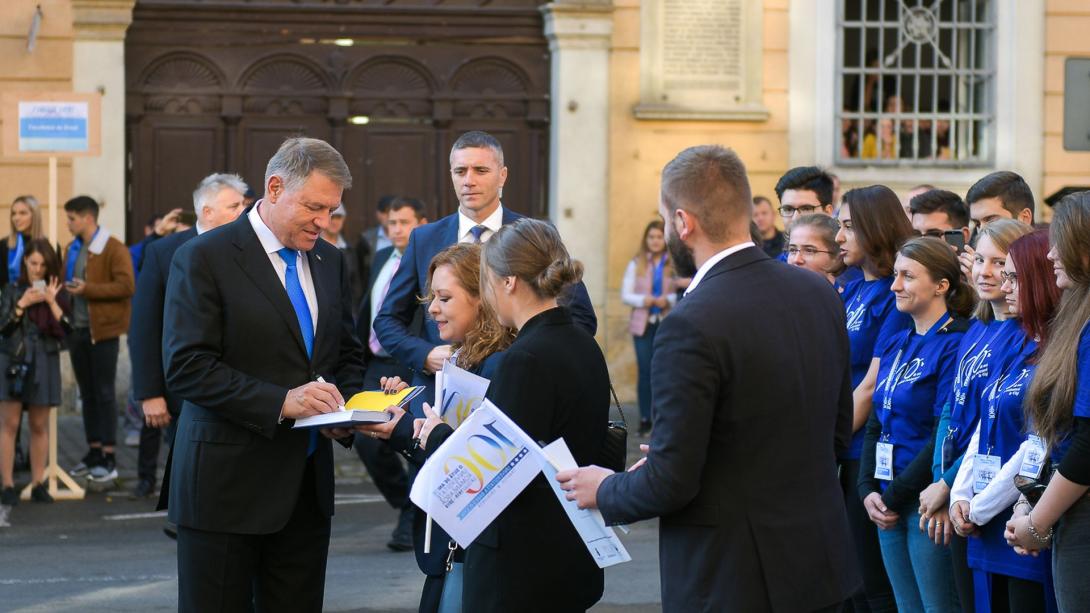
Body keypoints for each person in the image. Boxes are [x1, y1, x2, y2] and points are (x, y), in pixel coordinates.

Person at [558, 145, 860, 612]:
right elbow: (833, 433)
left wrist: (604, 488)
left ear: (683, 222)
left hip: (734, 580)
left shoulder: (690, 321)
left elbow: (671, 484)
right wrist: (682, 453)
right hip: (819, 567)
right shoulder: (818, 293)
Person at [161, 137, 365, 612]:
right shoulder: (204, 257)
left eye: (332, 210)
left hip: (306, 492)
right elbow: (187, 367)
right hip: (224, 490)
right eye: (314, 207)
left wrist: (351, 408)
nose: (324, 221)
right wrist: (281, 402)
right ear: (274, 188)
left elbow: (345, 355)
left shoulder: (330, 260)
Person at [373, 130, 596, 413]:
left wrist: (530, 360)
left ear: (502, 175)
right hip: (438, 395)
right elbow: (387, 320)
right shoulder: (424, 238)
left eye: (480, 170)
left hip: (520, 391)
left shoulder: (535, 236)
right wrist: (425, 355)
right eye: (460, 171)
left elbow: (581, 318)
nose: (469, 180)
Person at [360, 241, 514, 612]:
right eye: (431, 298)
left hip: (474, 552)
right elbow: (439, 442)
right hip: (452, 548)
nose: (431, 309)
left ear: (481, 298)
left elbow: (475, 471)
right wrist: (407, 410)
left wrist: (402, 431)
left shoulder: (498, 365)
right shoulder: (460, 357)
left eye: (444, 298)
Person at [918, 219, 1033, 610]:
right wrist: (946, 484)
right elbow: (952, 415)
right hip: (966, 492)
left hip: (1004, 497)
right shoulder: (977, 329)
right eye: (980, 259)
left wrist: (952, 487)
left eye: (999, 263)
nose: (985, 271)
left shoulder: (1028, 336)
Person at [858, 236, 974, 612]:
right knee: (906, 607)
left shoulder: (955, 342)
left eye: (907, 276)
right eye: (895, 275)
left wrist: (893, 497)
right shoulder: (897, 340)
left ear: (941, 285)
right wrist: (867, 489)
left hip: (925, 500)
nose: (894, 286)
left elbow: (945, 431)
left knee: (938, 606)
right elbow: (877, 419)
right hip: (886, 498)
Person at [948, 230, 1059, 612]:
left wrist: (981, 506)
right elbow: (984, 421)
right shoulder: (1014, 340)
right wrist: (961, 494)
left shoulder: (1056, 348)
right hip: (985, 517)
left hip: (1020, 520)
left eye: (1014, 277)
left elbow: (1039, 442)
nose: (1003, 285)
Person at [130, 173, 248, 502]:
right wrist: (149, 392)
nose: (244, 212)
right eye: (234, 206)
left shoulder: (249, 249)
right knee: (189, 472)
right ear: (207, 212)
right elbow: (145, 326)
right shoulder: (163, 252)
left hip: (239, 387)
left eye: (244, 205)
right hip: (183, 389)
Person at [1005, 191, 1090, 611]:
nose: (1051, 252)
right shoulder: (1076, 319)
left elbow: (1088, 445)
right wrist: (1030, 503)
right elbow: (1052, 435)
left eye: (1062, 241)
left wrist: (1037, 523)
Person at [836, 184, 916, 611]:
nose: (839, 237)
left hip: (859, 447)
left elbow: (871, 385)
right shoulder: (852, 287)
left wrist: (821, 442)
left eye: (848, 226)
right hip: (838, 444)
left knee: (871, 582)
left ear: (874, 228)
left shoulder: (892, 292)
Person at [353, 195, 427, 552]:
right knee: (367, 440)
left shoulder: (430, 260)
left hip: (410, 363)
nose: (396, 230)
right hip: (377, 364)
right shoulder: (381, 258)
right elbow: (368, 307)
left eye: (404, 222)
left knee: (414, 441)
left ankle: (413, 516)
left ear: (421, 225)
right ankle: (406, 504)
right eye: (391, 224)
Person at [62, 196, 135, 486]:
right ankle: (93, 451)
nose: (68, 223)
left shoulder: (112, 247)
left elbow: (127, 285)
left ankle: (109, 456)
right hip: (78, 331)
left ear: (87, 218)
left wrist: (88, 289)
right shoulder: (74, 248)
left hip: (102, 333)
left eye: (71, 218)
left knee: (104, 394)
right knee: (88, 394)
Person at [0, 240, 71, 507]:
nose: (37, 270)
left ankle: (38, 482)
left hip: (44, 358)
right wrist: (21, 304)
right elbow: (3, 328)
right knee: (9, 424)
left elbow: (69, 330)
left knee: (39, 425)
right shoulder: (11, 289)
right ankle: (7, 484)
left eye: (42, 265)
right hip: (14, 359)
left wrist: (52, 302)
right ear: (25, 263)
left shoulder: (56, 291)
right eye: (33, 264)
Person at [621, 220, 675, 436]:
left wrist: (667, 299)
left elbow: (683, 290)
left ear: (665, 239)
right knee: (645, 371)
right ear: (646, 239)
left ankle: (663, 418)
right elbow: (626, 295)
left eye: (659, 237)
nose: (655, 241)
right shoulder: (637, 263)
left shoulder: (674, 263)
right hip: (643, 324)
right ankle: (645, 418)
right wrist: (645, 300)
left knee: (665, 371)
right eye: (651, 237)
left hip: (666, 322)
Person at [321, 204, 362, 307]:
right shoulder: (311, 247)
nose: (334, 221)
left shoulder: (349, 250)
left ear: (343, 219)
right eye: (331, 217)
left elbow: (355, 284)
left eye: (338, 217)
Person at [785, 213, 842, 284]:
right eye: (793, 250)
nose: (796, 260)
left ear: (836, 257)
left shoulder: (849, 293)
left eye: (809, 250)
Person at [355, 194, 396, 292]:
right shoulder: (367, 239)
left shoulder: (406, 237)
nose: (389, 216)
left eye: (392, 211)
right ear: (378, 214)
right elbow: (360, 273)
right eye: (385, 212)